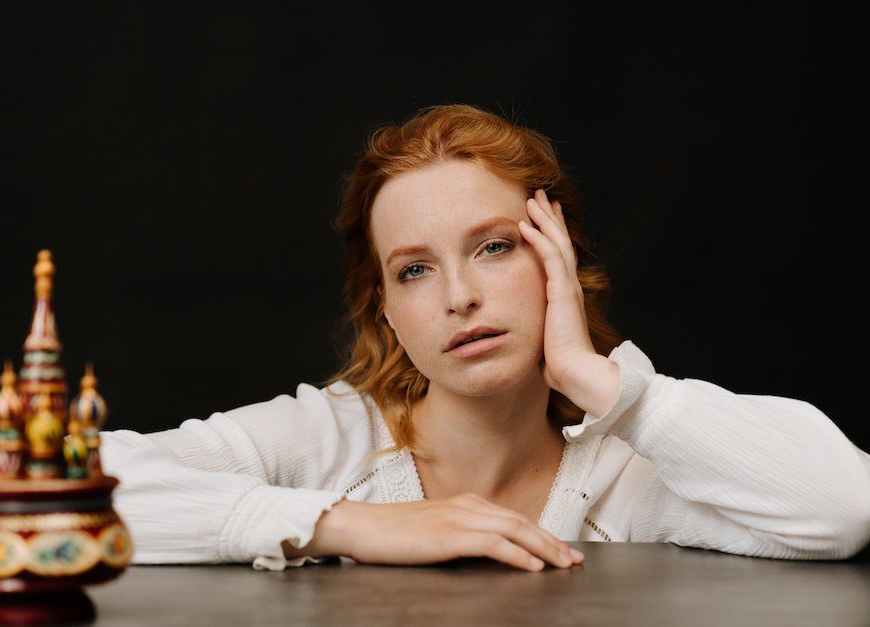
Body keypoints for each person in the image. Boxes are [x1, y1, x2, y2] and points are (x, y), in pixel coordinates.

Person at [99, 104, 870, 572]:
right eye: (414, 270)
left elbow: (848, 507)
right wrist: (353, 525)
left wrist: (600, 382)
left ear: (557, 257)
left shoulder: (626, 472)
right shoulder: (334, 437)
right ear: (385, 308)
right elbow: (75, 484)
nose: (460, 296)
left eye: (494, 247)